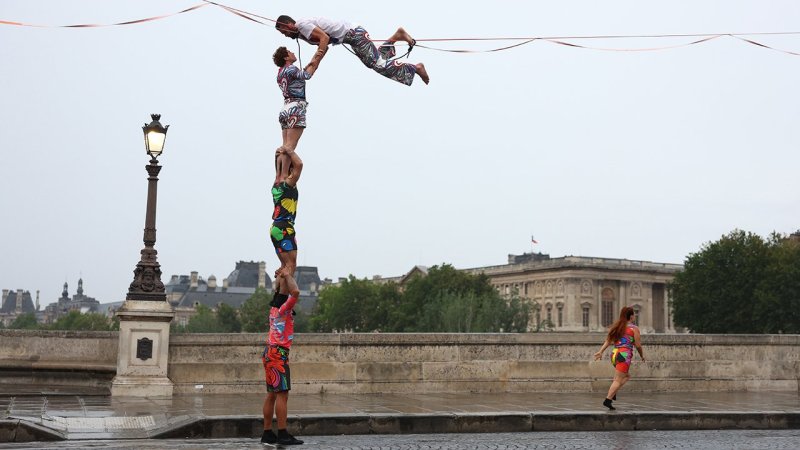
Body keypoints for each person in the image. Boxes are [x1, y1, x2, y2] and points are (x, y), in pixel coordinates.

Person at [275, 15, 430, 86]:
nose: (285, 35)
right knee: (374, 61)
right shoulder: (301, 33)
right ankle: (396, 36)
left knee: (376, 64)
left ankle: (416, 68)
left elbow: (324, 38)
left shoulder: (302, 25)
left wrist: (315, 60)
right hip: (351, 36)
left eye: (284, 32)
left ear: (288, 25)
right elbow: (324, 46)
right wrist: (313, 65)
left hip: (353, 34)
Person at [260, 272, 303, 445]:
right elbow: (296, 292)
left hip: (269, 352)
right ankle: (283, 434)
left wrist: (282, 275)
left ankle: (267, 433)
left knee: (271, 394)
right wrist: (287, 275)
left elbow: (280, 289)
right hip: (278, 354)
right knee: (282, 395)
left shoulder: (274, 309)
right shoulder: (284, 309)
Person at [593, 306, 645, 410]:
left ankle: (613, 392)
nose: (635, 316)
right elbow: (638, 345)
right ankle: (608, 400)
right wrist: (642, 355)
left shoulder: (618, 327)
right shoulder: (634, 329)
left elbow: (608, 340)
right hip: (624, 356)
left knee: (626, 376)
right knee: (618, 380)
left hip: (614, 354)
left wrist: (601, 351)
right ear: (631, 316)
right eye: (634, 314)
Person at [273, 46, 315, 161]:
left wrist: (306, 68)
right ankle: (284, 171)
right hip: (295, 108)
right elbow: (307, 76)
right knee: (289, 147)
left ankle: (280, 171)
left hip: (285, 108)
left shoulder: (280, 73)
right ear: (286, 58)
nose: (292, 52)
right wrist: (317, 59)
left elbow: (297, 77)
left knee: (284, 146)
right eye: (289, 52)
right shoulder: (291, 68)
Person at [270, 147, 302, 280]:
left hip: (276, 228)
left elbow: (280, 168)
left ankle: (279, 289)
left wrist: (277, 157)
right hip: (284, 228)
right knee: (290, 266)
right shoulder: (287, 185)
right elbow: (299, 165)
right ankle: (288, 293)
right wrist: (289, 151)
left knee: (284, 267)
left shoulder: (276, 185)